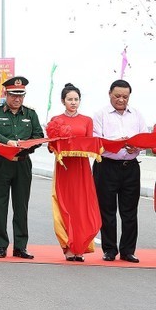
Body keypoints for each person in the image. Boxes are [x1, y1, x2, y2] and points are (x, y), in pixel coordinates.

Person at [0, 76, 44, 259]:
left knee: (21, 206)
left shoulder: (30, 114)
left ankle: (20, 246)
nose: (17, 99)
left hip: (22, 163)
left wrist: (26, 145)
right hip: (1, 162)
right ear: (6, 94)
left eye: (20, 95)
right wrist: (8, 142)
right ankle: (1, 245)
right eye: (13, 95)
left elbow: (39, 135)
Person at [92, 79, 147, 263]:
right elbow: (96, 141)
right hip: (106, 166)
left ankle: (128, 251)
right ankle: (109, 250)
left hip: (130, 167)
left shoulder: (137, 115)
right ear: (109, 94)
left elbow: (144, 140)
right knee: (107, 210)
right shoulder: (100, 115)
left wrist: (136, 147)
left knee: (129, 211)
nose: (121, 100)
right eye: (117, 96)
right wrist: (117, 143)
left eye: (125, 96)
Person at [46, 83, 101, 262]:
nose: (73, 102)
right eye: (70, 99)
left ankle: (81, 247)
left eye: (76, 99)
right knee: (65, 205)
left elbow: (90, 143)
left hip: (82, 168)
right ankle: (68, 246)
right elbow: (51, 146)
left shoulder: (87, 120)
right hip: (64, 168)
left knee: (82, 206)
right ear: (63, 101)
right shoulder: (56, 120)